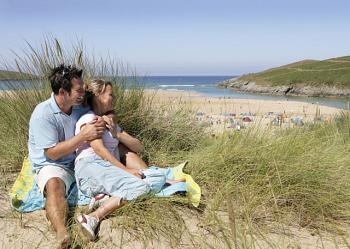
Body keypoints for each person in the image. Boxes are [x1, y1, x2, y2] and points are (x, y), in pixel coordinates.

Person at [75, 79, 185, 240]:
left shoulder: (110, 122)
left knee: (157, 177)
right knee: (144, 185)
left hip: (107, 170)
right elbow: (99, 149)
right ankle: (93, 217)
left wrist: (116, 133)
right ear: (98, 95)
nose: (114, 98)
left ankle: (102, 199)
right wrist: (126, 170)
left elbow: (139, 147)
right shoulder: (89, 119)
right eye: (110, 94)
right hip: (90, 168)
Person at [28, 65, 106, 248]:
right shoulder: (43, 114)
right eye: (79, 90)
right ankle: (62, 233)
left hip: (78, 159)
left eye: (83, 88)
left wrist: (105, 119)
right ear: (62, 92)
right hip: (53, 163)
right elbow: (52, 153)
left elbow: (100, 103)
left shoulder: (79, 105)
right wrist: (83, 136)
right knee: (54, 184)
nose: (83, 92)